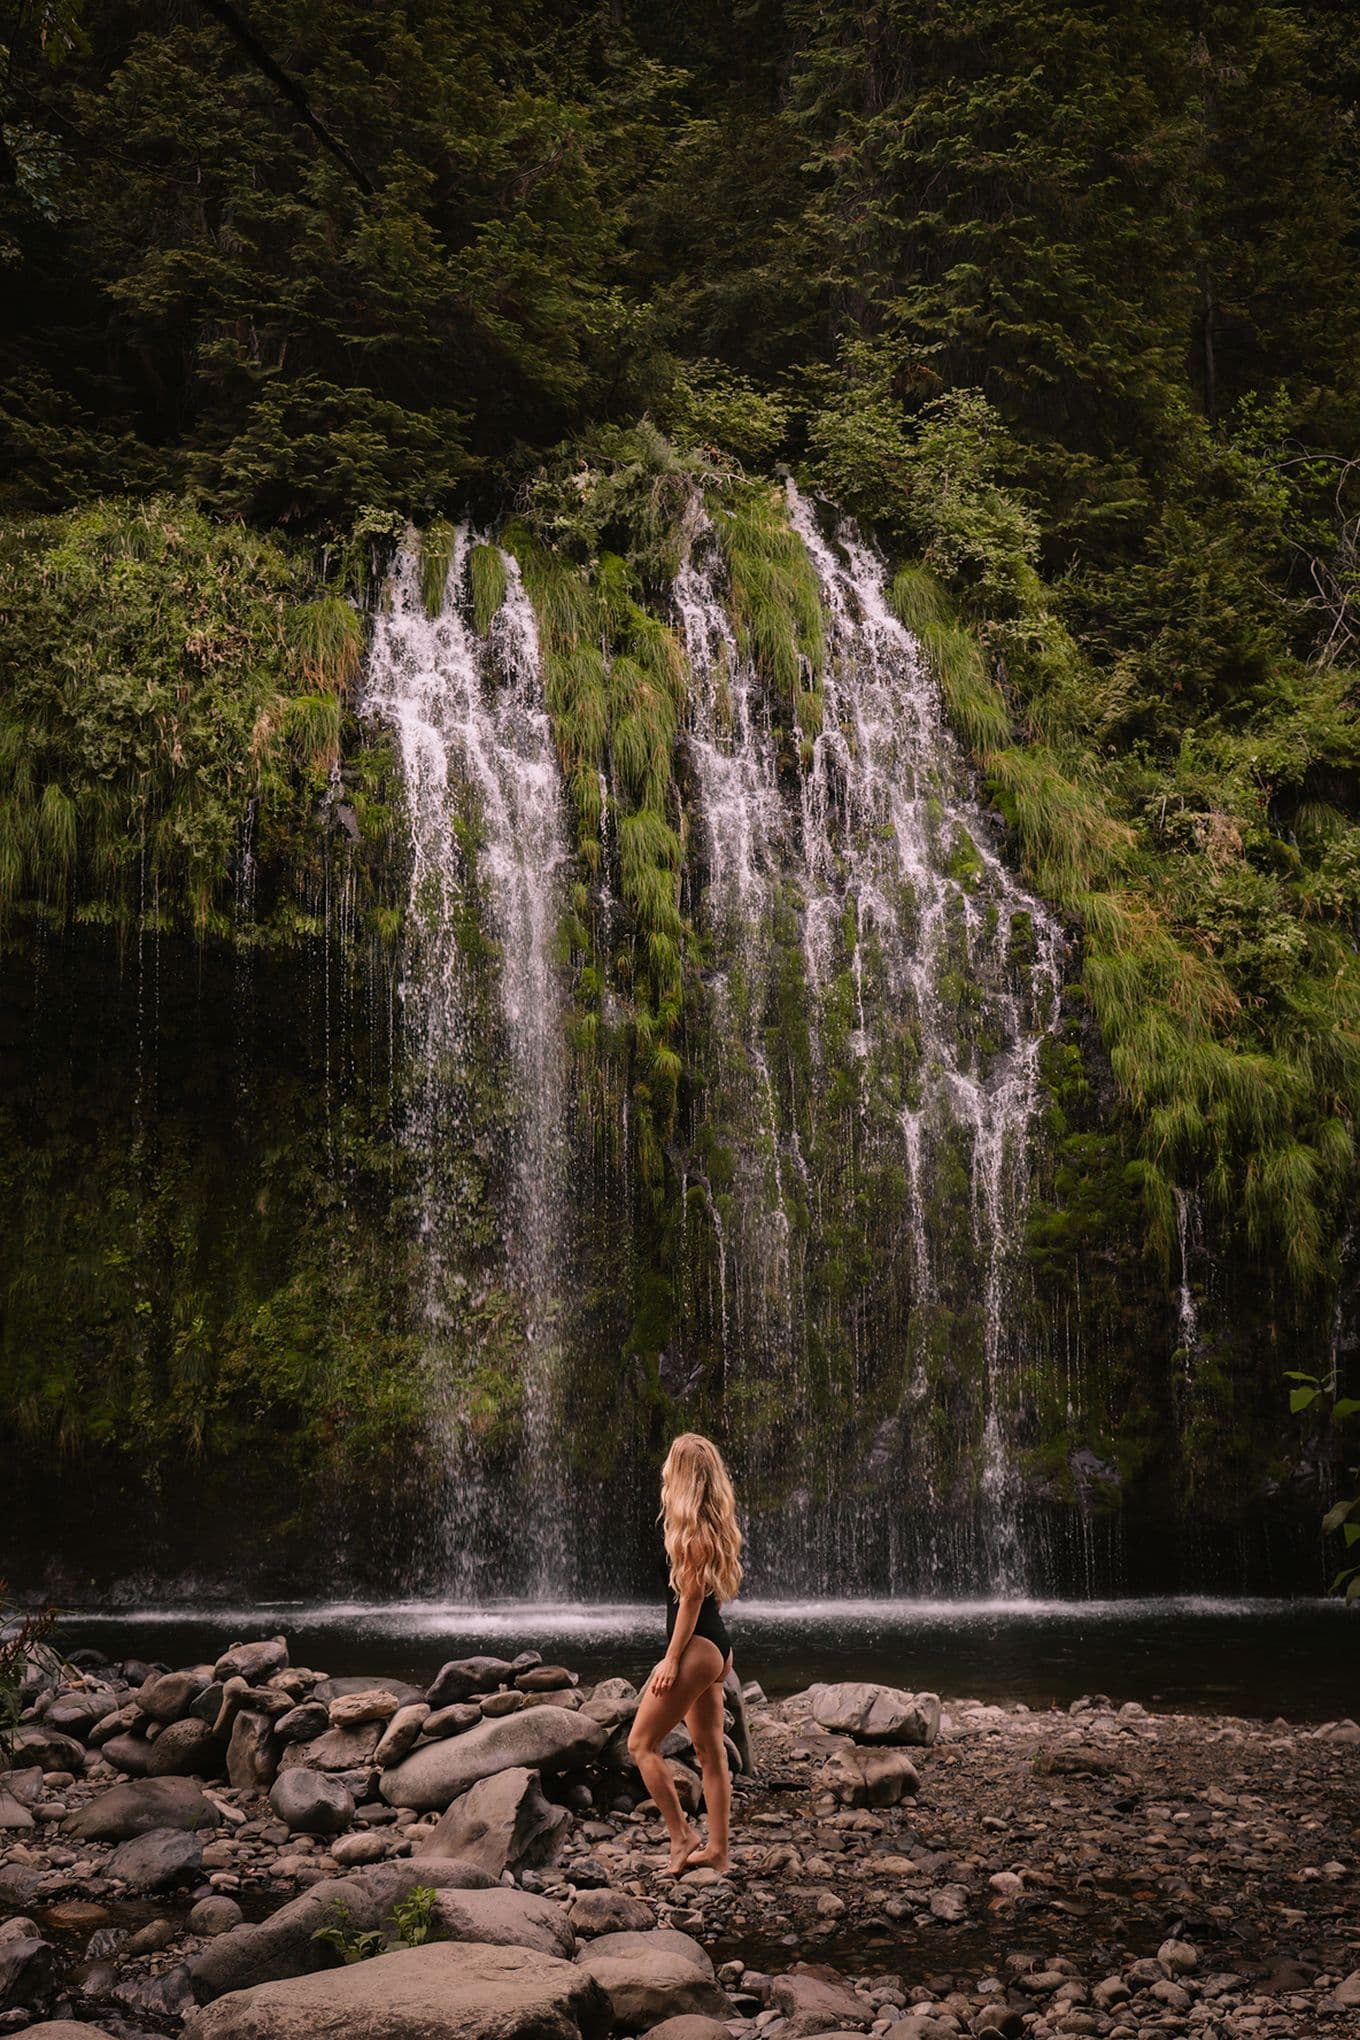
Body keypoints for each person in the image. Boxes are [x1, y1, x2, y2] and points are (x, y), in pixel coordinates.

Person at [627, 1431, 742, 1875]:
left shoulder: (690, 1532)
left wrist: (672, 1659)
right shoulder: (711, 1525)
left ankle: (682, 1837)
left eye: (671, 1464)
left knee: (641, 1744)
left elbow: (690, 1599)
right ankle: (718, 1852)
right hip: (717, 1647)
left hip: (694, 1648)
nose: (664, 1471)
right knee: (710, 1751)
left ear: (684, 1476)